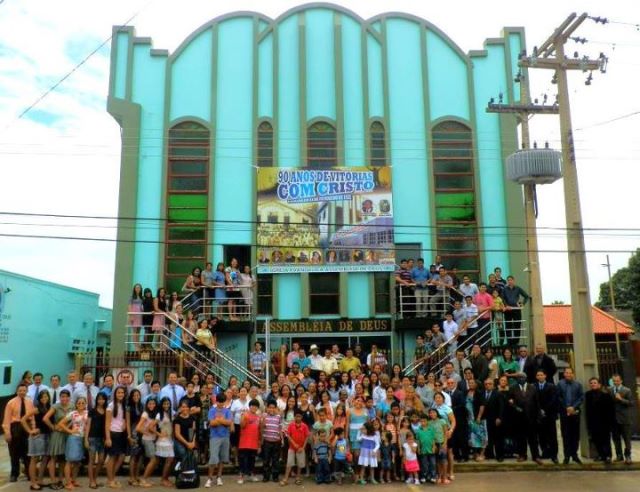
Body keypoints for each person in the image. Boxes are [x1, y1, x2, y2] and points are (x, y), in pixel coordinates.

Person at [3, 383, 33, 483]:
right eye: (20, 390)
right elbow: (6, 419)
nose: (22, 392)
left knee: (27, 453)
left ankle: (30, 473)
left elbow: (32, 417)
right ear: (17, 391)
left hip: (26, 427)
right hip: (15, 427)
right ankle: (14, 474)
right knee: (14, 453)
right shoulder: (10, 403)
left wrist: (33, 429)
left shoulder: (29, 402)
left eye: (24, 390)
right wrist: (7, 433)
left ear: (26, 391)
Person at [22, 389, 51, 491]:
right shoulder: (37, 409)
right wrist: (30, 431)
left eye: (46, 397)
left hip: (47, 436)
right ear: (39, 398)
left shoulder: (49, 408)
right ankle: (33, 483)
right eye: (42, 397)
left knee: (45, 459)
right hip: (38, 437)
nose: (44, 398)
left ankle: (40, 480)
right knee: (34, 459)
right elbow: (23, 420)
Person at [43, 389, 72, 489]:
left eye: (66, 396)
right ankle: (53, 480)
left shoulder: (72, 406)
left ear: (69, 397)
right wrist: (53, 427)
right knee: (54, 458)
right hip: (57, 435)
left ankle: (60, 479)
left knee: (63, 459)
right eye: (62, 396)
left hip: (67, 434)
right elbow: (45, 418)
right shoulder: (55, 406)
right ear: (60, 397)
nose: (64, 398)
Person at [508, 377, 541, 464]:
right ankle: (522, 455)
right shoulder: (512, 388)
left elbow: (537, 403)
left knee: (533, 439)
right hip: (518, 418)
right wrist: (515, 407)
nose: (521, 379)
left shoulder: (533, 388)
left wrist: (538, 417)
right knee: (521, 438)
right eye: (519, 377)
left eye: (523, 377)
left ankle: (536, 456)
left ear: (526, 378)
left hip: (531, 418)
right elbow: (510, 402)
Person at [57, 396, 87, 490]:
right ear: (76, 404)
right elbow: (60, 423)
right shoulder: (73, 413)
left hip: (82, 438)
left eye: (83, 403)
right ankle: (68, 482)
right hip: (73, 438)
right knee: (69, 461)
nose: (81, 405)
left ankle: (74, 480)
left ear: (85, 404)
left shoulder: (88, 413)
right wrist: (70, 431)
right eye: (79, 403)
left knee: (78, 461)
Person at [557, 368, 583, 464]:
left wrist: (573, 407)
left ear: (573, 374)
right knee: (566, 435)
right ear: (564, 374)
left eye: (570, 373)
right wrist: (566, 407)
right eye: (566, 373)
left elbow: (581, 397)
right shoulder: (560, 384)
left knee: (575, 435)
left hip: (575, 412)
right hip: (564, 412)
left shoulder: (578, 384)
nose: (568, 374)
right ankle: (566, 456)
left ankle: (574, 455)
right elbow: (558, 397)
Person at [206, 393, 233, 487]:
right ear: (216, 401)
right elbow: (211, 423)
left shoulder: (227, 411)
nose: (221, 404)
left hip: (225, 436)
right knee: (213, 458)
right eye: (219, 401)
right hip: (214, 437)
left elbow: (229, 422)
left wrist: (218, 420)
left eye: (222, 402)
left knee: (222, 458)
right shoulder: (212, 410)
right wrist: (222, 421)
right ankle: (209, 478)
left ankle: (219, 477)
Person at [585, 377, 614, 463]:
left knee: (606, 439)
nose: (593, 384)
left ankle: (608, 456)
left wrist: (610, 423)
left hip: (604, 422)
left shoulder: (606, 395)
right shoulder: (588, 395)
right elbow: (587, 409)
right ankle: (601, 455)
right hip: (593, 422)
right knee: (596, 440)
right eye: (591, 383)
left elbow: (610, 410)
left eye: (594, 383)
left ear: (599, 384)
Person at [105, 386, 128, 488]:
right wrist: (108, 437)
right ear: (115, 394)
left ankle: (112, 478)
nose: (120, 394)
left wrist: (125, 424)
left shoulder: (124, 405)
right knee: (112, 457)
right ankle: (110, 480)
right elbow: (107, 423)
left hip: (121, 434)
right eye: (118, 393)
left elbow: (124, 419)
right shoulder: (111, 406)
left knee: (122, 456)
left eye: (122, 393)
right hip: (113, 433)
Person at [534, 370, 558, 464]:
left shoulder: (551, 386)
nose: (540, 376)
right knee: (541, 436)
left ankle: (554, 455)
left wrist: (545, 409)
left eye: (541, 375)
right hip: (539, 415)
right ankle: (545, 452)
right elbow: (534, 400)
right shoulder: (533, 386)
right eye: (538, 375)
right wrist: (539, 410)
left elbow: (553, 399)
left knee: (552, 435)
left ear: (545, 376)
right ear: (536, 377)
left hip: (550, 414)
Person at [281, 410, 310, 486]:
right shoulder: (291, 425)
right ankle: (286, 479)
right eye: (296, 416)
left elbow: (307, 437)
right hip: (291, 448)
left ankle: (298, 478)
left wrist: (303, 447)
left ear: (302, 417)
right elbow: (288, 435)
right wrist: (294, 443)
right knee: (289, 463)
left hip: (300, 448)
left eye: (299, 416)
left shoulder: (304, 426)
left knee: (300, 464)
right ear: (294, 417)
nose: (298, 418)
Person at [85, 393, 108, 489]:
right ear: (96, 400)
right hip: (92, 438)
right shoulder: (92, 411)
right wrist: (86, 439)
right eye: (99, 399)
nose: (101, 401)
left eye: (103, 399)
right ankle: (91, 481)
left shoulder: (107, 411)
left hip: (102, 438)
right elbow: (88, 425)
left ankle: (95, 479)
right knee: (92, 460)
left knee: (101, 460)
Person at [611, 373, 634, 464]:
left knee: (627, 439)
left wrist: (621, 399)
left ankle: (628, 455)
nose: (615, 382)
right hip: (614, 419)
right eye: (614, 381)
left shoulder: (627, 390)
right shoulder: (610, 390)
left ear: (621, 381)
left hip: (624, 419)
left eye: (617, 381)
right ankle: (619, 455)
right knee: (616, 439)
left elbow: (631, 403)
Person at [237, 399, 261, 484]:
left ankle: (251, 474)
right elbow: (242, 426)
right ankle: (241, 476)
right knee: (243, 460)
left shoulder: (258, 417)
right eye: (252, 405)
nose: (254, 407)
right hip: (244, 443)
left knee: (252, 460)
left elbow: (259, 431)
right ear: (249, 406)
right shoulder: (245, 414)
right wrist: (244, 418)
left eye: (256, 406)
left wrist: (259, 444)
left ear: (257, 408)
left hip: (254, 443)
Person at [502, 276, 529, 347]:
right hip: (508, 310)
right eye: (508, 280)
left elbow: (526, 296)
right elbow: (502, 298)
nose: (509, 281)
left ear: (514, 280)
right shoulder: (504, 289)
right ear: (507, 281)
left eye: (511, 280)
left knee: (517, 325)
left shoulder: (518, 288)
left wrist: (522, 304)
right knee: (508, 326)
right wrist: (505, 305)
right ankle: (509, 342)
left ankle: (516, 342)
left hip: (516, 309)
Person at [261, 400, 283, 483]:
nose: (271, 409)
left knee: (275, 460)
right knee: (266, 460)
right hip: (267, 441)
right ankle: (266, 476)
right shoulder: (264, 416)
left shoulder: (278, 417)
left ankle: (275, 476)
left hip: (276, 441)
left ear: (276, 408)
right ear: (267, 408)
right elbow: (262, 427)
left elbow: (280, 429)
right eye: (270, 407)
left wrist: (282, 439)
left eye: (273, 408)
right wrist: (263, 420)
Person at [482, 378, 504, 461]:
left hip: (495, 419)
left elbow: (501, 407)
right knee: (488, 438)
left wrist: (499, 418)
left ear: (493, 385)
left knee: (498, 438)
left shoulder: (498, 394)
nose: (488, 385)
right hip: (485, 420)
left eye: (489, 384)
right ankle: (489, 454)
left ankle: (500, 456)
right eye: (486, 384)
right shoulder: (482, 393)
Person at [356, 421, 379, 485]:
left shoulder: (374, 435)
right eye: (362, 429)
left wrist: (374, 450)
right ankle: (361, 479)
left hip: (371, 453)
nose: (362, 430)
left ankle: (372, 478)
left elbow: (378, 444)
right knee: (363, 466)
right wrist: (359, 431)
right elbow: (358, 439)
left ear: (368, 429)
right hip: (364, 454)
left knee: (372, 467)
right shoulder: (363, 435)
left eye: (364, 429)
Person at [128, 284, 144, 350]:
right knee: (134, 330)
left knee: (138, 331)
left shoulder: (141, 297)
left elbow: (142, 306)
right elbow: (129, 307)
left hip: (140, 315)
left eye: (139, 288)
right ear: (134, 289)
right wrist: (131, 315)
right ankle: (136, 346)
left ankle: (138, 344)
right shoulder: (131, 297)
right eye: (136, 288)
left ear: (140, 289)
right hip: (134, 315)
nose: (138, 289)